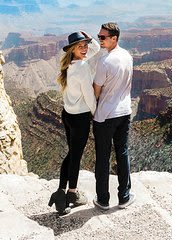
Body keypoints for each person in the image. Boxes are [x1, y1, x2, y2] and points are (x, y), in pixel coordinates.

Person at [48, 31, 101, 215]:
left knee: (71, 154)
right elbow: (88, 94)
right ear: (72, 49)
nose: (85, 48)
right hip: (80, 118)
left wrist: (89, 40)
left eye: (85, 45)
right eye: (81, 46)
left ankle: (61, 191)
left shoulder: (69, 65)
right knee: (75, 157)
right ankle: (71, 194)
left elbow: (94, 49)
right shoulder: (83, 67)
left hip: (67, 114)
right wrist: (96, 114)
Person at [92, 22, 135, 210]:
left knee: (103, 157)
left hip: (105, 116)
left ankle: (103, 200)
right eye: (99, 36)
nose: (100, 40)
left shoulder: (105, 62)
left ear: (114, 38)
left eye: (103, 37)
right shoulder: (127, 56)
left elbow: (96, 91)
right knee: (122, 152)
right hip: (124, 112)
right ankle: (124, 196)